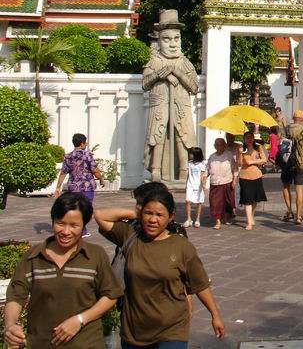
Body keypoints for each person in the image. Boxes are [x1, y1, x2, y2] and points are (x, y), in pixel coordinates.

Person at [95, 190, 225, 347]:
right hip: (134, 331)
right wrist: (136, 213)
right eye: (148, 213)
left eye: (159, 215)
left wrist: (215, 315)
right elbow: (100, 215)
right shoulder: (130, 235)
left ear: (170, 217)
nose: (153, 220)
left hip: (171, 330)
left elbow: (200, 284)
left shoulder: (182, 246)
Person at [4, 192, 122, 349]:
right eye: (60, 223)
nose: (66, 232)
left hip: (86, 344)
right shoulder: (33, 257)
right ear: (52, 222)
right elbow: (16, 295)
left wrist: (80, 320)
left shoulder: (95, 255)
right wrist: (10, 325)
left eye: (74, 226)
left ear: (84, 226)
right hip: (42, 343)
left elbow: (110, 295)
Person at [142, 9, 199, 182]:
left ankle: (183, 171)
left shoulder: (184, 62)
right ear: (159, 41)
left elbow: (194, 87)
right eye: (167, 39)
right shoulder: (155, 61)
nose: (173, 44)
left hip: (180, 104)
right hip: (160, 103)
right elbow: (145, 84)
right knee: (158, 136)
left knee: (182, 136)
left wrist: (178, 73)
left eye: (176, 38)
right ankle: (156, 170)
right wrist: (160, 74)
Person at [53, 133, 105, 237]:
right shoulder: (87, 155)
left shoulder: (68, 156)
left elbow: (63, 172)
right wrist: (101, 178)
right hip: (87, 187)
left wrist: (58, 187)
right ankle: (82, 230)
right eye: (85, 143)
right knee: (86, 209)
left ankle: (79, 230)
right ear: (82, 143)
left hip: (73, 187)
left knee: (75, 208)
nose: (85, 145)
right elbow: (94, 170)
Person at [280, 109, 303, 225]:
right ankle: (299, 216)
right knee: (299, 190)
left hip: (287, 163)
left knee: (286, 186)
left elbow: (280, 144)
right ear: (302, 119)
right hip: (301, 163)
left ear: (293, 118)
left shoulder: (285, 129)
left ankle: (289, 212)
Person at [239, 130, 268, 230]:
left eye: (250, 137)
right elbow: (239, 163)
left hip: (256, 175)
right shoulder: (242, 149)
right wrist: (239, 154)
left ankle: (251, 216)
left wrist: (252, 161)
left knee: (255, 199)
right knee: (247, 199)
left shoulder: (258, 147)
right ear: (244, 139)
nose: (249, 139)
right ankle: (249, 222)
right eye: (247, 138)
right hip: (244, 176)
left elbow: (264, 160)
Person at [206, 138, 238, 230]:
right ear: (214, 146)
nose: (219, 147)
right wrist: (204, 177)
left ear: (224, 145)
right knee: (215, 203)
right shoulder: (212, 157)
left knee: (229, 202)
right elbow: (208, 169)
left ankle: (227, 216)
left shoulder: (228, 155)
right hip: (215, 182)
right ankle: (217, 221)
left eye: (221, 145)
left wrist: (234, 180)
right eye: (217, 145)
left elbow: (234, 168)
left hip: (227, 181)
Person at [184, 148, 207, 228]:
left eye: (192, 153)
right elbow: (188, 174)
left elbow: (202, 176)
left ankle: (197, 219)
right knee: (187, 201)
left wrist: (203, 185)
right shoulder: (189, 163)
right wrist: (186, 184)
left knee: (198, 202)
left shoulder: (202, 164)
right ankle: (189, 219)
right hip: (190, 185)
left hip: (198, 186)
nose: (190, 155)